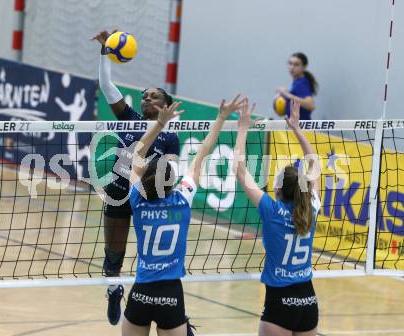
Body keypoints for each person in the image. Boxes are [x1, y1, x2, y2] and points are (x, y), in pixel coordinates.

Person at [124, 95, 245, 336]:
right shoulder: (182, 199)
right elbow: (202, 154)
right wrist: (221, 118)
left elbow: (136, 155)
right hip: (170, 294)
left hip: (141, 292)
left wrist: (159, 123)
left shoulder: (137, 199)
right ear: (171, 182)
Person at [92, 30, 180, 325]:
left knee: (153, 261)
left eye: (153, 95)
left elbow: (171, 176)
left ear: (165, 104)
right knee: (112, 259)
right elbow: (106, 85)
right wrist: (105, 50)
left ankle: (164, 308)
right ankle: (114, 290)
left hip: (147, 199)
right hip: (118, 192)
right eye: (144, 94)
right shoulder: (130, 117)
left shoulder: (170, 137)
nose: (146, 97)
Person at [234, 99, 321, 335]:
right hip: (308, 302)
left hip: (279, 303)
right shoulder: (311, 207)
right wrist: (297, 129)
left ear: (279, 190)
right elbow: (315, 164)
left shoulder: (271, 210)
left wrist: (242, 128)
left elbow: (240, 171)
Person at [276, 52, 318, 120]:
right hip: (295, 127)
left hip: (302, 129)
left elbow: (311, 105)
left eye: (296, 64)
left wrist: (287, 94)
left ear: (304, 67)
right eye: (290, 63)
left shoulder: (301, 84)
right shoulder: (297, 82)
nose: (292, 67)